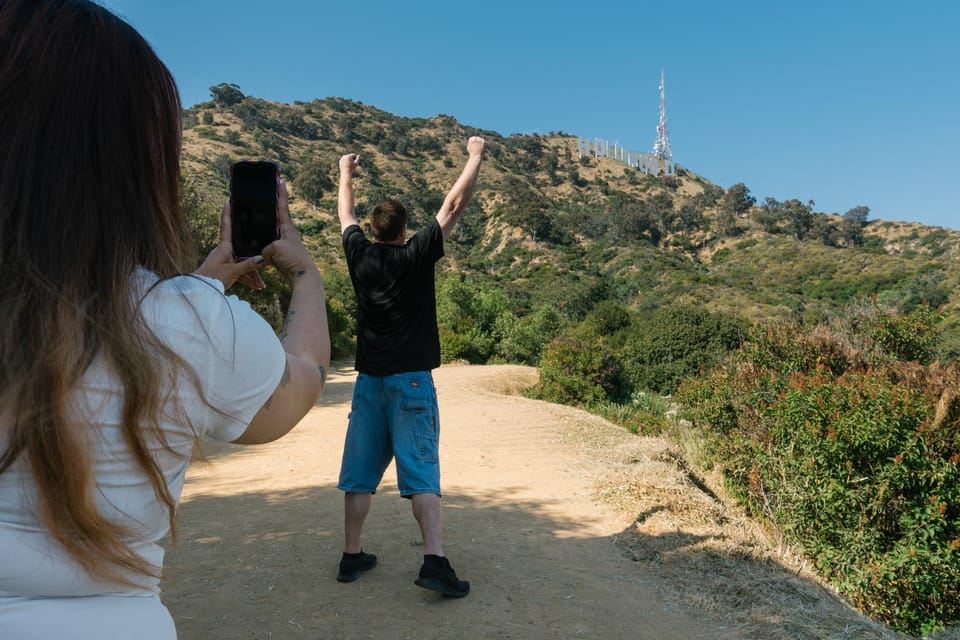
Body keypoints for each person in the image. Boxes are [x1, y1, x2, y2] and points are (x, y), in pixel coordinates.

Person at [0, 1, 330, 638]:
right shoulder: (190, 328)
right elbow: (305, 376)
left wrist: (201, 283)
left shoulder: (185, 316)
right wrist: (305, 274)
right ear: (141, 166)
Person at [335, 136, 486, 598]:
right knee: (421, 473)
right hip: (412, 383)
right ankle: (434, 562)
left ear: (374, 230)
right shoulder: (416, 255)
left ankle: (351, 555)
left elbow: (345, 216)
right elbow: (454, 204)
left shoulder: (358, 254)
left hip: (368, 383)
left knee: (359, 475)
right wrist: (475, 156)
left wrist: (345, 174)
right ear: (403, 230)